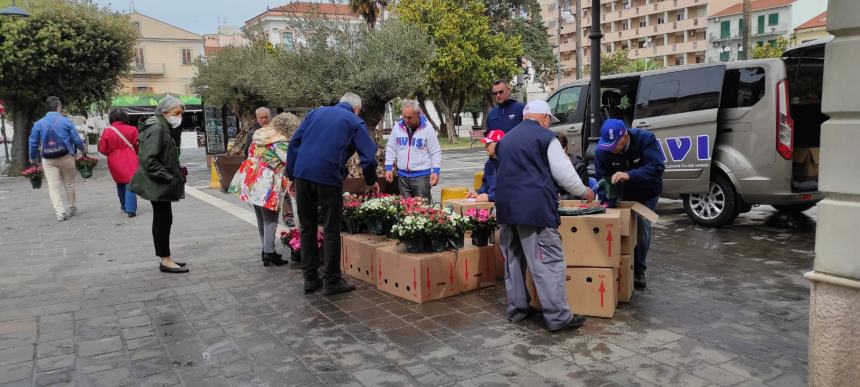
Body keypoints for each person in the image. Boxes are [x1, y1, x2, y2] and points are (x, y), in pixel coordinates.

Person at [494, 100, 595, 333]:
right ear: (545, 118)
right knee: (547, 263)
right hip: (535, 212)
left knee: (514, 262)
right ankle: (558, 317)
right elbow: (565, 175)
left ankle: (518, 310)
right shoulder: (545, 138)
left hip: (507, 210)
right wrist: (585, 192)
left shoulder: (506, 140)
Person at [287, 93, 379, 295]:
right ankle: (331, 280)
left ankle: (310, 279)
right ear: (357, 109)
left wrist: (291, 176)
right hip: (327, 176)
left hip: (302, 174)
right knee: (331, 229)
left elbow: (294, 144)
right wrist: (371, 182)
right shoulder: (355, 121)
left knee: (307, 228)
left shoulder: (315, 113)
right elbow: (369, 159)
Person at [594, 119, 665, 289]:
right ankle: (618, 263)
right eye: (607, 145)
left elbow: (657, 167)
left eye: (614, 144)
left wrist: (630, 175)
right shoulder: (603, 151)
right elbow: (603, 180)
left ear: (625, 136)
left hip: (647, 192)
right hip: (622, 194)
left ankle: (638, 269)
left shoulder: (645, 139)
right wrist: (608, 204)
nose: (611, 149)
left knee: (641, 226)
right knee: (615, 226)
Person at [230, 113, 301, 266]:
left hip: (252, 180)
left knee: (261, 218)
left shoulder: (259, 135)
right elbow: (289, 161)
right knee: (271, 219)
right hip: (267, 183)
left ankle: (265, 248)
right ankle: (269, 253)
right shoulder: (279, 141)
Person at [129, 96, 188, 274]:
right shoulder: (157, 128)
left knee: (164, 218)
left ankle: (166, 257)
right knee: (163, 220)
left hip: (160, 181)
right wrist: (168, 177)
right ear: (164, 112)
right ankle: (165, 259)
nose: (179, 117)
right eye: (176, 113)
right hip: (158, 182)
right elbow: (148, 159)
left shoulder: (164, 127)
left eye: (181, 114)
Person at [28, 96, 87, 221]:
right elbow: (76, 139)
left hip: (48, 159)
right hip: (66, 156)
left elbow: (33, 143)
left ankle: (60, 212)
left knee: (53, 186)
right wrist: (83, 149)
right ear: (58, 106)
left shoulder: (38, 124)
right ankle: (71, 206)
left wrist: (33, 159)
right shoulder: (66, 122)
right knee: (69, 183)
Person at [384, 99, 441, 202]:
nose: (406, 120)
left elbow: (435, 151)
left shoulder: (427, 129)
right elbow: (391, 147)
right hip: (402, 176)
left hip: (421, 177)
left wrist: (436, 171)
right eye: (404, 116)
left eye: (409, 117)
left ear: (418, 114)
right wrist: (388, 167)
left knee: (423, 209)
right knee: (406, 210)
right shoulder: (398, 127)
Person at [98, 109, 140, 218]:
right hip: (130, 158)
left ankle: (124, 205)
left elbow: (102, 148)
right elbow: (137, 145)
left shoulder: (107, 131)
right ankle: (131, 209)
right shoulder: (133, 129)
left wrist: (111, 153)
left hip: (114, 159)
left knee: (120, 182)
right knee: (130, 183)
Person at [467, 129, 505, 202]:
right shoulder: (489, 164)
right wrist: (478, 193)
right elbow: (485, 186)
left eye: (488, 143)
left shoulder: (509, 164)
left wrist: (490, 197)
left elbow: (510, 191)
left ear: (498, 144)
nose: (485, 146)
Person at [554, 133, 595, 199]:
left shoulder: (579, 166)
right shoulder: (548, 164)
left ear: (564, 149)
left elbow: (580, 195)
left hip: (572, 205)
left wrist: (560, 197)